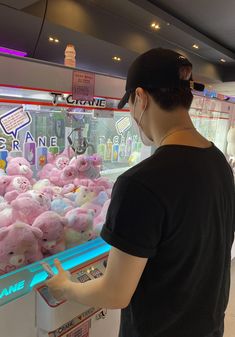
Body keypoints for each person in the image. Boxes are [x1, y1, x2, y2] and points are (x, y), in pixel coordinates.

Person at [47, 48, 235, 337]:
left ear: (141, 97)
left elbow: (115, 293)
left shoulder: (141, 183)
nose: (133, 115)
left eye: (130, 104)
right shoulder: (218, 161)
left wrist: (66, 287)